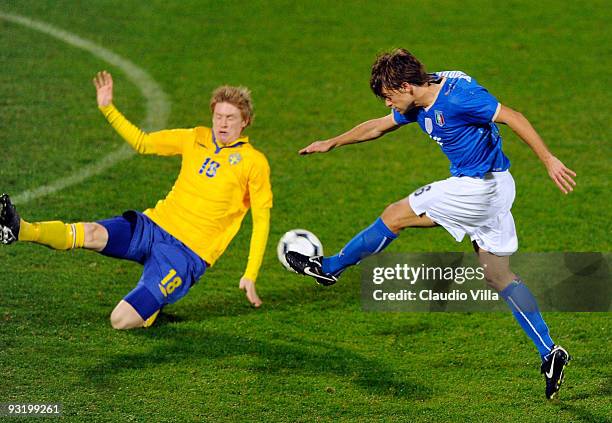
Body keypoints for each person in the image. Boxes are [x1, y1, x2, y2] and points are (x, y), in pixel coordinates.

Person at [285, 49, 575, 399]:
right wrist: (333, 142)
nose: (388, 104)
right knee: (498, 275)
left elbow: (513, 116)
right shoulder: (423, 95)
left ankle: (329, 267)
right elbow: (378, 126)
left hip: (476, 187)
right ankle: (550, 351)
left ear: (406, 86)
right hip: (497, 188)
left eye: (389, 97)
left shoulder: (459, 98)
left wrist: (548, 159)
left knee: (395, 215)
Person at [0, 71, 272, 329]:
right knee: (91, 232)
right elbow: (143, 142)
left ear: (245, 121)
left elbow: (261, 221)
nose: (222, 124)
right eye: (218, 116)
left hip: (186, 254)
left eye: (231, 118)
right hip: (153, 226)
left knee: (120, 320)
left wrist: (250, 273)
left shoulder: (254, 163)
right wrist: (108, 108)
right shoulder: (195, 137)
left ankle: (152, 304)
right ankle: (20, 228)